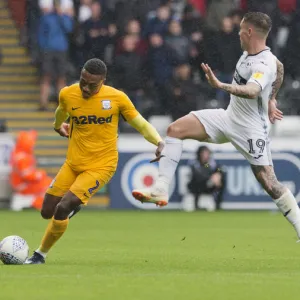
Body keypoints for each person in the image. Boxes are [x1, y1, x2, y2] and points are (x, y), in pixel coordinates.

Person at [132, 12, 300, 242]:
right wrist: (272, 99)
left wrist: (220, 85)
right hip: (228, 118)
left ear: (250, 32)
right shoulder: (256, 56)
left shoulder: (262, 64)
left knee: (270, 183)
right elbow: (280, 69)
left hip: (251, 129)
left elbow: (252, 90)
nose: (238, 33)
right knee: (175, 130)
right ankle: (161, 188)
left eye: (241, 29)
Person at [25, 58, 164, 264]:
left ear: (103, 81)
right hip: (73, 163)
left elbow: (141, 124)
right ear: (80, 75)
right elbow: (61, 111)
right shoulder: (68, 93)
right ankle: (73, 207)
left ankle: (40, 255)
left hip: (102, 166)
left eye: (92, 85)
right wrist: (57, 125)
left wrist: (159, 141)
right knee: (47, 211)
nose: (86, 88)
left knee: (63, 208)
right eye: (83, 82)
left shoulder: (117, 99)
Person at [187, 146, 225, 210]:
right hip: (196, 185)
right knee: (198, 183)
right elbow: (197, 175)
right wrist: (211, 178)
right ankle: (196, 205)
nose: (206, 155)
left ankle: (218, 205)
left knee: (222, 180)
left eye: (207, 153)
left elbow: (219, 168)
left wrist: (218, 174)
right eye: (204, 153)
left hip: (208, 185)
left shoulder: (208, 164)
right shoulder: (195, 163)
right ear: (199, 154)